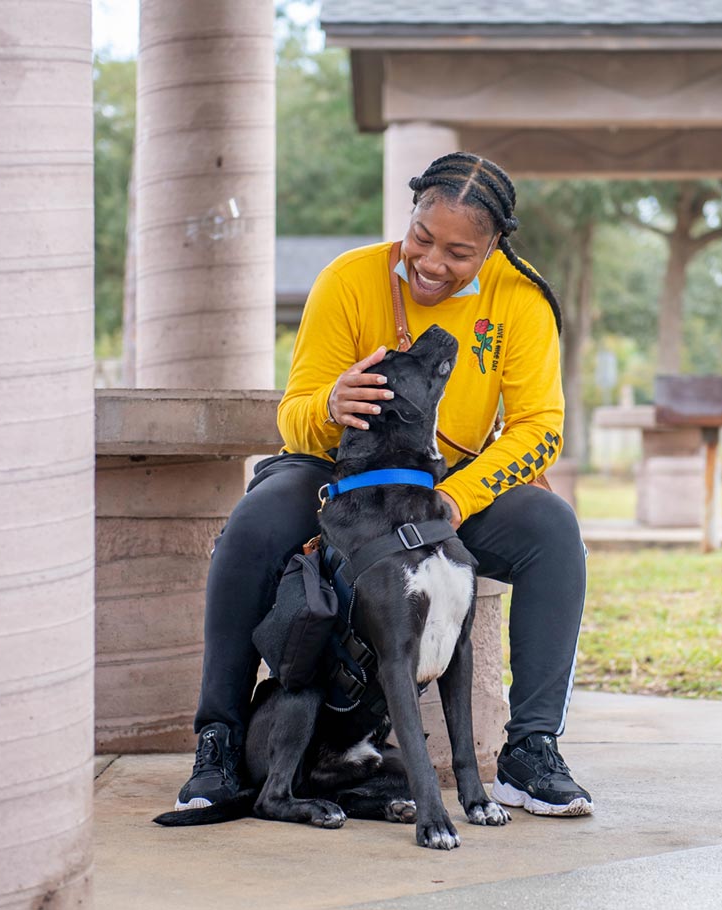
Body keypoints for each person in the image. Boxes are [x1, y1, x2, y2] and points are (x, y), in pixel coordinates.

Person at [175, 152, 593, 818]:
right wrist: (330, 404)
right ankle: (219, 743)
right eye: (423, 236)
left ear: (492, 249)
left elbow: (540, 429)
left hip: (446, 480)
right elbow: (294, 414)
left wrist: (456, 498)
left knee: (553, 529)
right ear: (413, 213)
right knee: (255, 524)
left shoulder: (521, 299)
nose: (431, 261)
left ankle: (530, 752)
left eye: (460, 252)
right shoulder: (349, 278)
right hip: (339, 470)